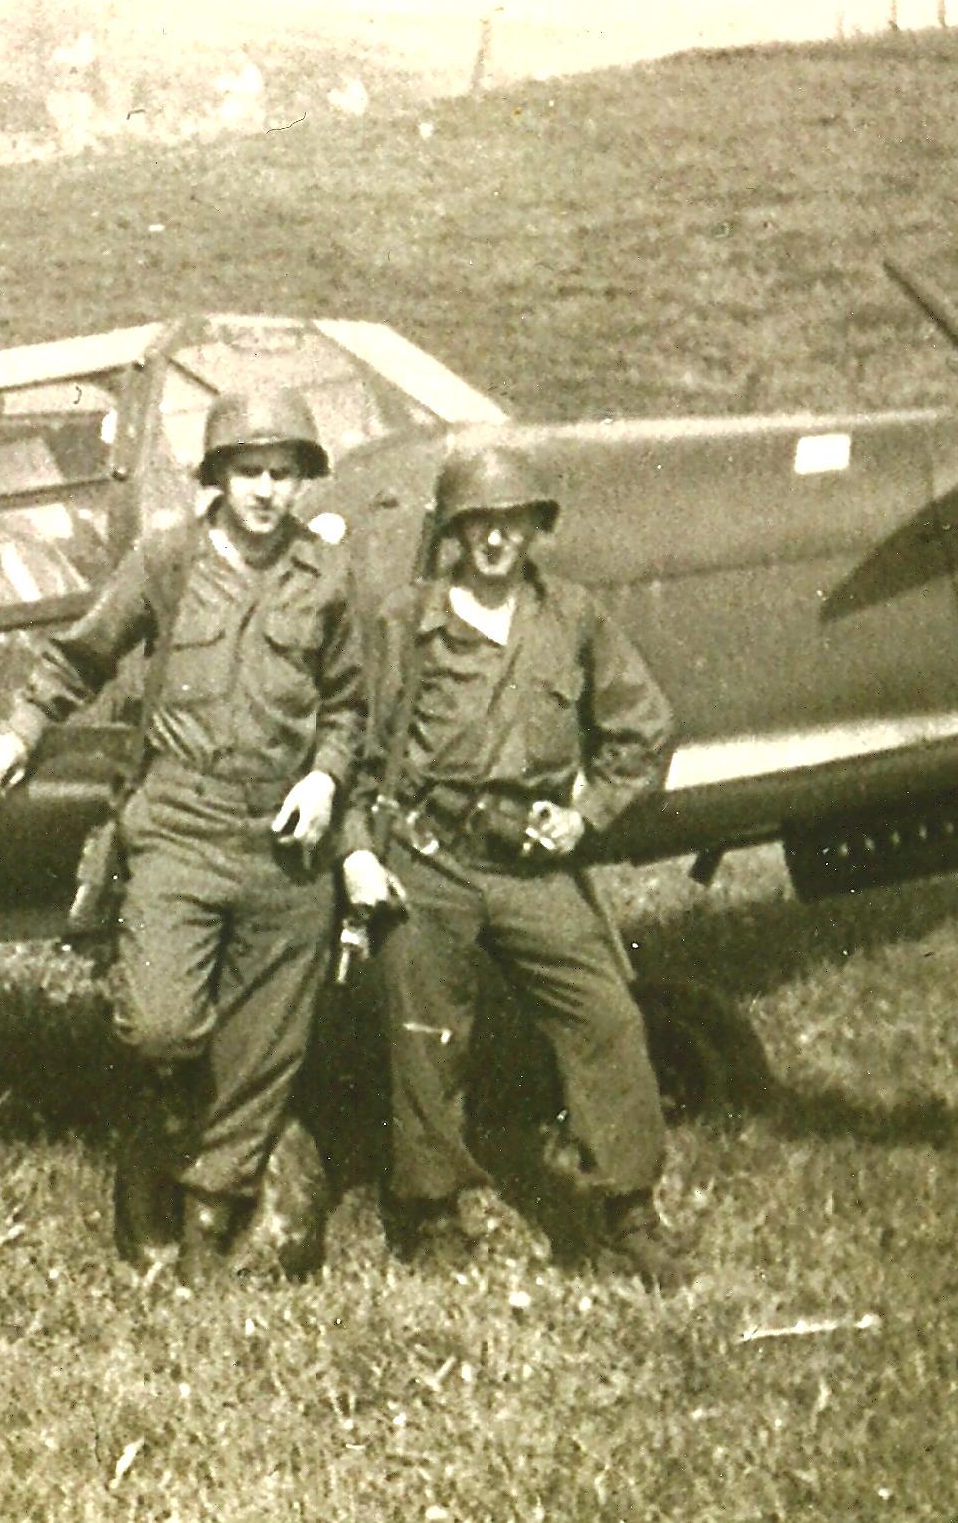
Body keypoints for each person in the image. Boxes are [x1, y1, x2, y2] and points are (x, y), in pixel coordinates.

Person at [0, 387, 364, 1283]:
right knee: (160, 1026)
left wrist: (325, 778)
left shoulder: (326, 575)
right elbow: (81, 656)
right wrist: (20, 732)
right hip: (180, 823)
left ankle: (205, 1225)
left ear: (301, 479)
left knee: (264, 1048)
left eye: (282, 472)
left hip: (283, 842)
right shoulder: (167, 560)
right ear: (218, 476)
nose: (265, 490)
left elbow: (348, 706)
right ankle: (173, 1129)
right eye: (248, 470)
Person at [337, 447, 687, 1289]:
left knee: (606, 1016)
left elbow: (645, 728)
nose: (495, 541)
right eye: (478, 524)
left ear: (535, 528)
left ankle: (627, 1212)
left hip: (529, 865)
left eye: (512, 522)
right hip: (429, 858)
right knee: (427, 1036)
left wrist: (586, 815)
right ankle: (430, 1211)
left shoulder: (573, 618)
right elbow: (353, 747)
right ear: (453, 533)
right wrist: (356, 850)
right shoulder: (403, 621)